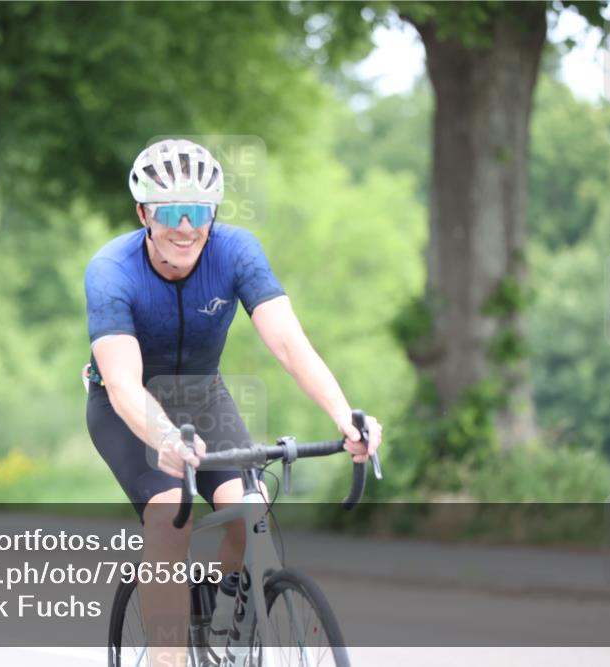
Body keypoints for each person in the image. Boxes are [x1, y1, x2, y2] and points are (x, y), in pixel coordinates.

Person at [83, 138, 384, 663]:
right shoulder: (111, 271)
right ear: (143, 214)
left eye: (197, 211)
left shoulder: (235, 251)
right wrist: (163, 438)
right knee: (167, 517)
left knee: (253, 511)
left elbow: (290, 343)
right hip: (126, 407)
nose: (185, 226)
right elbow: (126, 384)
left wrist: (345, 416)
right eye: (170, 211)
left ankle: (226, 632)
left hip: (202, 397)